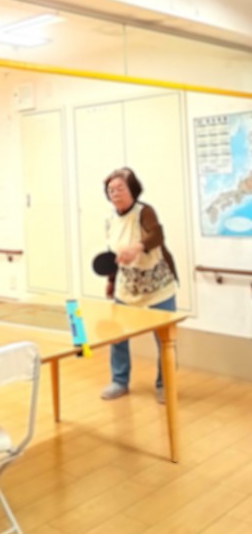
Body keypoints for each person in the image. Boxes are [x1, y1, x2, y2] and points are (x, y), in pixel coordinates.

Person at [100, 167, 178, 404]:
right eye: (111, 190)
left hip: (158, 286)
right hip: (127, 286)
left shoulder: (144, 212)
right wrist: (111, 281)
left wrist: (137, 248)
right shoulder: (110, 220)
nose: (115, 193)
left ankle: (165, 384)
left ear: (132, 189)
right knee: (118, 336)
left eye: (120, 188)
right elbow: (113, 254)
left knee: (164, 338)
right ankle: (119, 380)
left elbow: (157, 235)